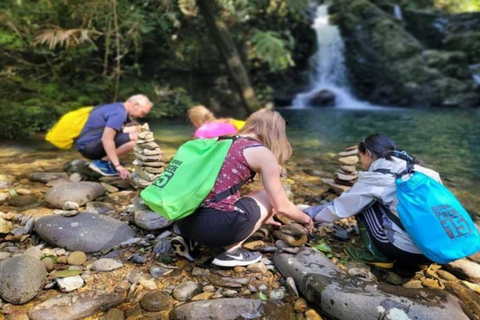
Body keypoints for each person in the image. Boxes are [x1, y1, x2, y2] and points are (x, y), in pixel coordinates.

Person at [173, 109, 313, 267]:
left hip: (183, 220)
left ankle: (191, 242)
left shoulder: (221, 141)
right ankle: (232, 251)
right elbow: (281, 206)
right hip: (215, 229)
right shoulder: (263, 153)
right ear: (277, 132)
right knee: (267, 196)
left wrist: (265, 216)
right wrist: (306, 219)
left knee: (247, 194)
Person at [305, 134, 442, 266]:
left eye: (361, 156)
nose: (361, 161)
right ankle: (422, 262)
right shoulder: (425, 171)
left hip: (408, 252)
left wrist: (308, 215)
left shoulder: (379, 176)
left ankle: (376, 254)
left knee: (364, 202)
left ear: (369, 154)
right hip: (437, 251)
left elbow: (341, 208)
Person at [76, 94, 153, 179]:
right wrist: (118, 165)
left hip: (87, 145)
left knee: (137, 131)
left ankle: (107, 160)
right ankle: (102, 163)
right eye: (142, 112)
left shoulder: (117, 107)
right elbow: (107, 139)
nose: (141, 116)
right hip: (89, 148)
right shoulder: (119, 113)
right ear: (135, 105)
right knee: (138, 138)